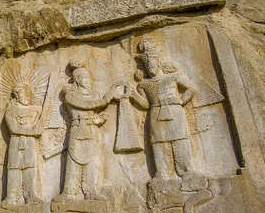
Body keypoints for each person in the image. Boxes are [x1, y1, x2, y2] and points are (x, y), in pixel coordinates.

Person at [130, 37, 197, 181]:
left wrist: (181, 100)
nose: (150, 66)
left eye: (152, 63)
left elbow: (191, 88)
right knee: (158, 142)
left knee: (181, 139)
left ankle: (187, 170)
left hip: (174, 111)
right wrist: (133, 95)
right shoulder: (143, 85)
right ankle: (162, 173)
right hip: (155, 113)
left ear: (159, 62)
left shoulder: (174, 77)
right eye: (147, 64)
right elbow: (146, 105)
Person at [56, 55, 118, 201]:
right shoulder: (71, 96)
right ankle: (69, 192)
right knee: (74, 159)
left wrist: (98, 119)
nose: (88, 80)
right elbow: (86, 105)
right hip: (77, 129)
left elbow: (92, 109)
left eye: (88, 78)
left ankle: (91, 190)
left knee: (93, 160)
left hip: (92, 129)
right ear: (77, 80)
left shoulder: (94, 95)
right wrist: (105, 99)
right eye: (84, 78)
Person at [3, 82, 42, 205]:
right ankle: (11, 196)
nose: (27, 96)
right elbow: (13, 128)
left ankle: (30, 194)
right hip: (16, 142)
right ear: (17, 95)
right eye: (24, 93)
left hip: (29, 142)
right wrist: (31, 131)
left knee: (30, 166)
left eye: (28, 93)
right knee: (14, 167)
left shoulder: (35, 110)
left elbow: (38, 128)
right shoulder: (11, 110)